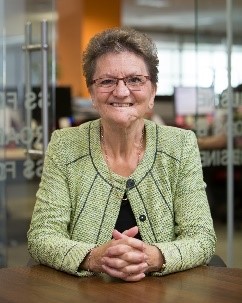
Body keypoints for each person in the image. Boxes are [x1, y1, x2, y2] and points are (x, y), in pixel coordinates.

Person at [27, 27, 216, 282]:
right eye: (107, 81)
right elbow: (41, 235)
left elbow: (202, 237)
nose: (121, 91)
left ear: (152, 92)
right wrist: (93, 257)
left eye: (135, 80)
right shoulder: (65, 145)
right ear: (92, 94)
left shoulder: (180, 145)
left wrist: (154, 257)